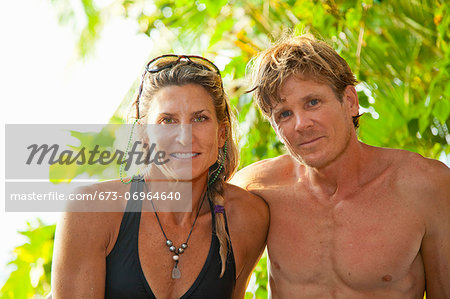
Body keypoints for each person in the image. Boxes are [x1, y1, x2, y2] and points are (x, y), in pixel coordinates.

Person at [231, 34, 450, 298]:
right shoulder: (256, 189)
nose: (301, 124)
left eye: (313, 102)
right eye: (284, 114)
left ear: (350, 101)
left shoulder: (425, 186)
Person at [51, 55, 269, 298]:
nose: (185, 137)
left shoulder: (247, 220)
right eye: (167, 120)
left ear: (221, 134)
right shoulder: (92, 211)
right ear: (144, 135)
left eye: (200, 118)